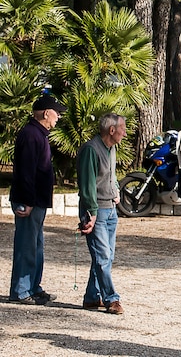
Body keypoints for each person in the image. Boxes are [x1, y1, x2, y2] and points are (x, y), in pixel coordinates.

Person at [8, 95, 65, 306]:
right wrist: (28, 201)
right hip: (29, 201)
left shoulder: (39, 135)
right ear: (46, 113)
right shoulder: (31, 135)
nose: (58, 117)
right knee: (26, 245)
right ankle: (21, 290)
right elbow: (26, 172)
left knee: (36, 245)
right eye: (56, 113)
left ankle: (33, 286)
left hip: (37, 201)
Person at [77, 113, 127, 314]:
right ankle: (111, 299)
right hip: (96, 210)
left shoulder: (112, 148)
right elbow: (87, 184)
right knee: (103, 256)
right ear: (112, 130)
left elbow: (112, 175)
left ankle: (91, 297)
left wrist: (116, 191)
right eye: (122, 128)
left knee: (106, 255)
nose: (124, 132)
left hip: (110, 209)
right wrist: (91, 212)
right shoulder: (91, 149)